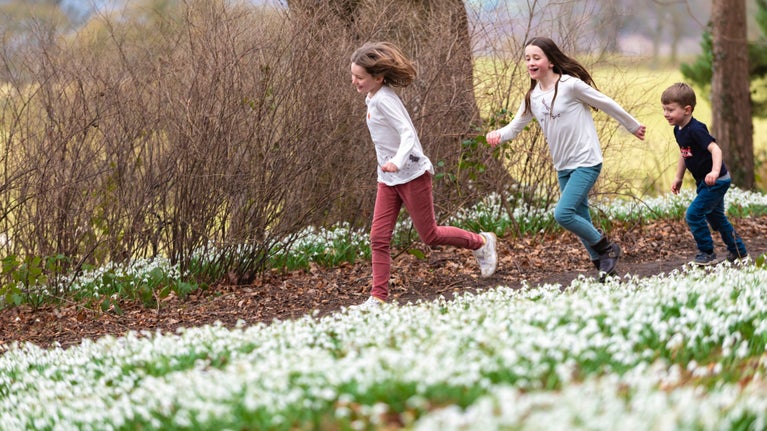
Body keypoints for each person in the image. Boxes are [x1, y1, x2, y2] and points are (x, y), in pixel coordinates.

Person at [350, 41, 497, 309]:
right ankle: (378, 297)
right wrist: (388, 166)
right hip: (388, 179)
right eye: (353, 75)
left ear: (378, 77)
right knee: (378, 237)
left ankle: (481, 242)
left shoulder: (384, 99)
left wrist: (397, 160)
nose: (354, 81)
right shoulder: (371, 97)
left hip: (412, 174)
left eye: (359, 77)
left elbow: (408, 132)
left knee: (429, 235)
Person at [485, 37, 646, 280]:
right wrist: (498, 134)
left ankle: (607, 249)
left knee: (564, 214)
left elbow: (605, 103)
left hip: (586, 160)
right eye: (527, 58)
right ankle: (605, 270)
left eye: (536, 58)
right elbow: (515, 127)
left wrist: (632, 125)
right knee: (581, 219)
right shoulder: (533, 97)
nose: (531, 62)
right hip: (563, 165)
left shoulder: (571, 85)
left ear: (550, 61)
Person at [661, 82, 748, 265]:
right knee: (716, 219)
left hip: (717, 181)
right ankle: (739, 251)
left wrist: (715, 171)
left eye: (670, 110)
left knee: (693, 214)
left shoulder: (696, 129)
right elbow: (685, 153)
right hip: (705, 181)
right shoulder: (679, 130)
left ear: (687, 109)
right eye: (664, 109)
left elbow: (715, 150)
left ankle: (707, 252)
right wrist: (678, 177)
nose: (665, 114)